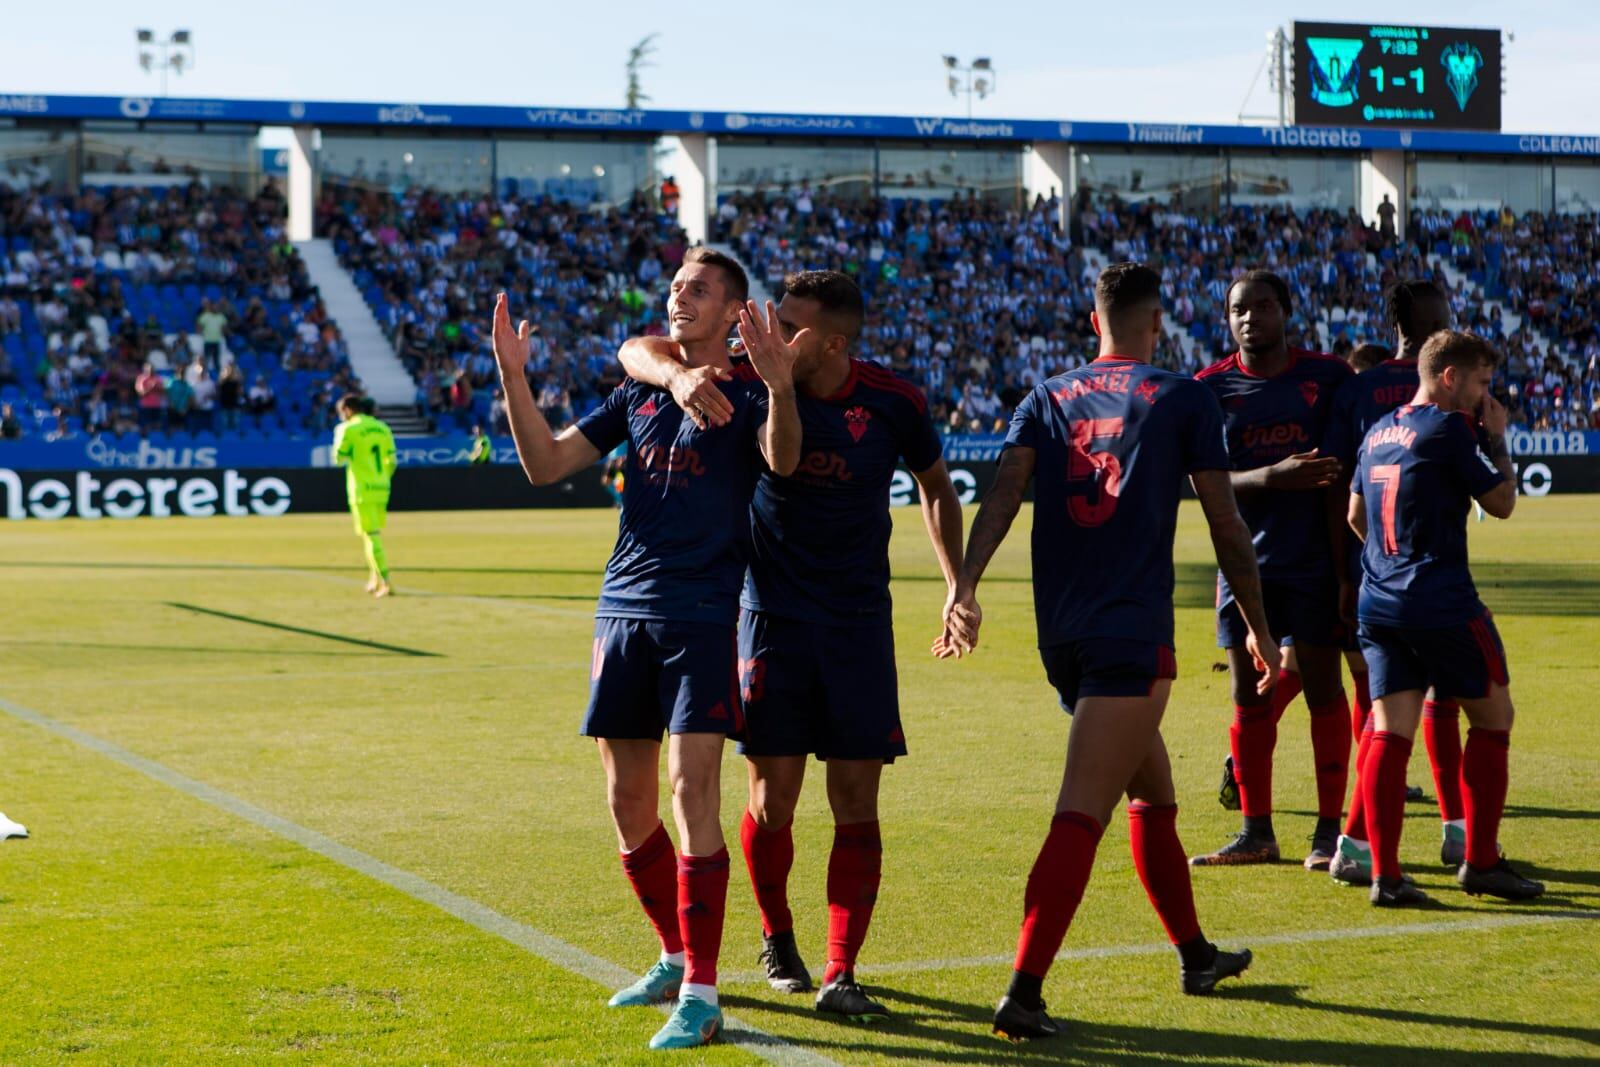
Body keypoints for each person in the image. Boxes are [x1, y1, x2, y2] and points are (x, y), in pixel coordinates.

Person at [619, 269, 966, 1023]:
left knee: (854, 799)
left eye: (792, 325)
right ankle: (778, 935)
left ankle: (842, 970)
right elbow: (635, 348)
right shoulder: (744, 375)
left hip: (858, 625)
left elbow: (937, 484)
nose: (769, 333)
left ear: (833, 342)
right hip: (769, 616)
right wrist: (680, 375)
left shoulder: (893, 399)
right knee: (772, 804)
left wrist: (956, 582)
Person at [940, 264, 1274, 1042]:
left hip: (1063, 632)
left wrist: (966, 582)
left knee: (1153, 793)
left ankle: (1195, 956)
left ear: (1097, 322)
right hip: (1129, 629)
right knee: (1081, 809)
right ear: (1154, 319)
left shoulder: (1045, 395)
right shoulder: (1186, 393)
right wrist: (1257, 623)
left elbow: (1003, 493)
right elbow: (1226, 521)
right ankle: (1024, 991)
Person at [492, 246, 802, 1052]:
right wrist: (513, 378)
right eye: (674, 287)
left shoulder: (744, 391)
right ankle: (672, 955)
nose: (678, 298)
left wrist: (776, 384)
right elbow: (545, 462)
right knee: (626, 804)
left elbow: (785, 460)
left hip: (703, 611)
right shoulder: (640, 385)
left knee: (689, 788)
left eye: (697, 289)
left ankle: (703, 990)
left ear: (734, 310)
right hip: (622, 607)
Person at [1348, 330, 1543, 906]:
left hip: (1378, 600)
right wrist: (1499, 441)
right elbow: (1502, 503)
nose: (1488, 398)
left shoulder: (1379, 430)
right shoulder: (1450, 427)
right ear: (1450, 377)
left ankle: (1385, 875)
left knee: (1389, 729)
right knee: (1493, 719)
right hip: (1440, 602)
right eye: (1482, 383)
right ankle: (1481, 861)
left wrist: (1393, 562)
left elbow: (1356, 515)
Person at [1191, 270, 1355, 871]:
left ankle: (1329, 830)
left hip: (1314, 561)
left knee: (1322, 689)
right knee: (1247, 694)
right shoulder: (1208, 388)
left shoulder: (1328, 378)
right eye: (1239, 309)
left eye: (1263, 306)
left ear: (1287, 309)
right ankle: (1257, 832)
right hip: (1242, 565)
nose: (1250, 317)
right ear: (1227, 318)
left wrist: (1348, 573)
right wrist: (1271, 477)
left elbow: (1348, 469)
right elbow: (1200, 482)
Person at [1324, 282, 1476, 884]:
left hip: (1377, 580)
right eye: (1443, 320)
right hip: (1427, 582)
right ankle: (1459, 835)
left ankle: (1363, 848)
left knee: (1388, 714)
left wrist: (1364, 563)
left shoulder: (1361, 393)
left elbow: (1343, 494)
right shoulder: (1446, 392)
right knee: (1453, 705)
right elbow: (1498, 495)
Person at [331, 394, 398, 598]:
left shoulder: (347, 429)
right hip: (382, 487)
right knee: (372, 533)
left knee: (371, 536)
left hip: (362, 489)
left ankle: (386, 582)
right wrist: (383, 479)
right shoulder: (382, 428)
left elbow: (338, 458)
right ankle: (374, 579)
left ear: (348, 410)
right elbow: (392, 461)